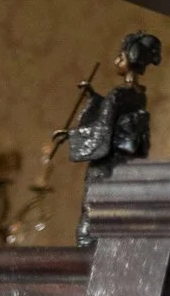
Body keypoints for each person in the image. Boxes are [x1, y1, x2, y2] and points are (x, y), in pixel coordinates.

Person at [62, 31, 160, 246]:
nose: (116, 62)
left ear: (130, 60)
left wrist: (71, 135)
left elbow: (103, 129)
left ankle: (86, 251)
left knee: (91, 218)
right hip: (125, 165)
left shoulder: (117, 95)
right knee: (112, 213)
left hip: (105, 166)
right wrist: (94, 97)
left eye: (120, 57)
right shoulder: (140, 95)